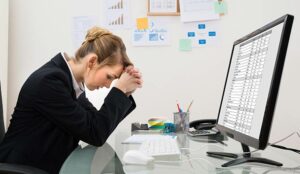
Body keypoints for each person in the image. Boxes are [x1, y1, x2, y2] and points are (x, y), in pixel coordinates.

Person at [0, 26, 142, 174]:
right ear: (92, 61)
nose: (108, 85)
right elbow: (95, 134)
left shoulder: (71, 82)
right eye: (109, 77)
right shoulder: (50, 82)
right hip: (24, 168)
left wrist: (125, 93)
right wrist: (119, 91)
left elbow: (95, 124)